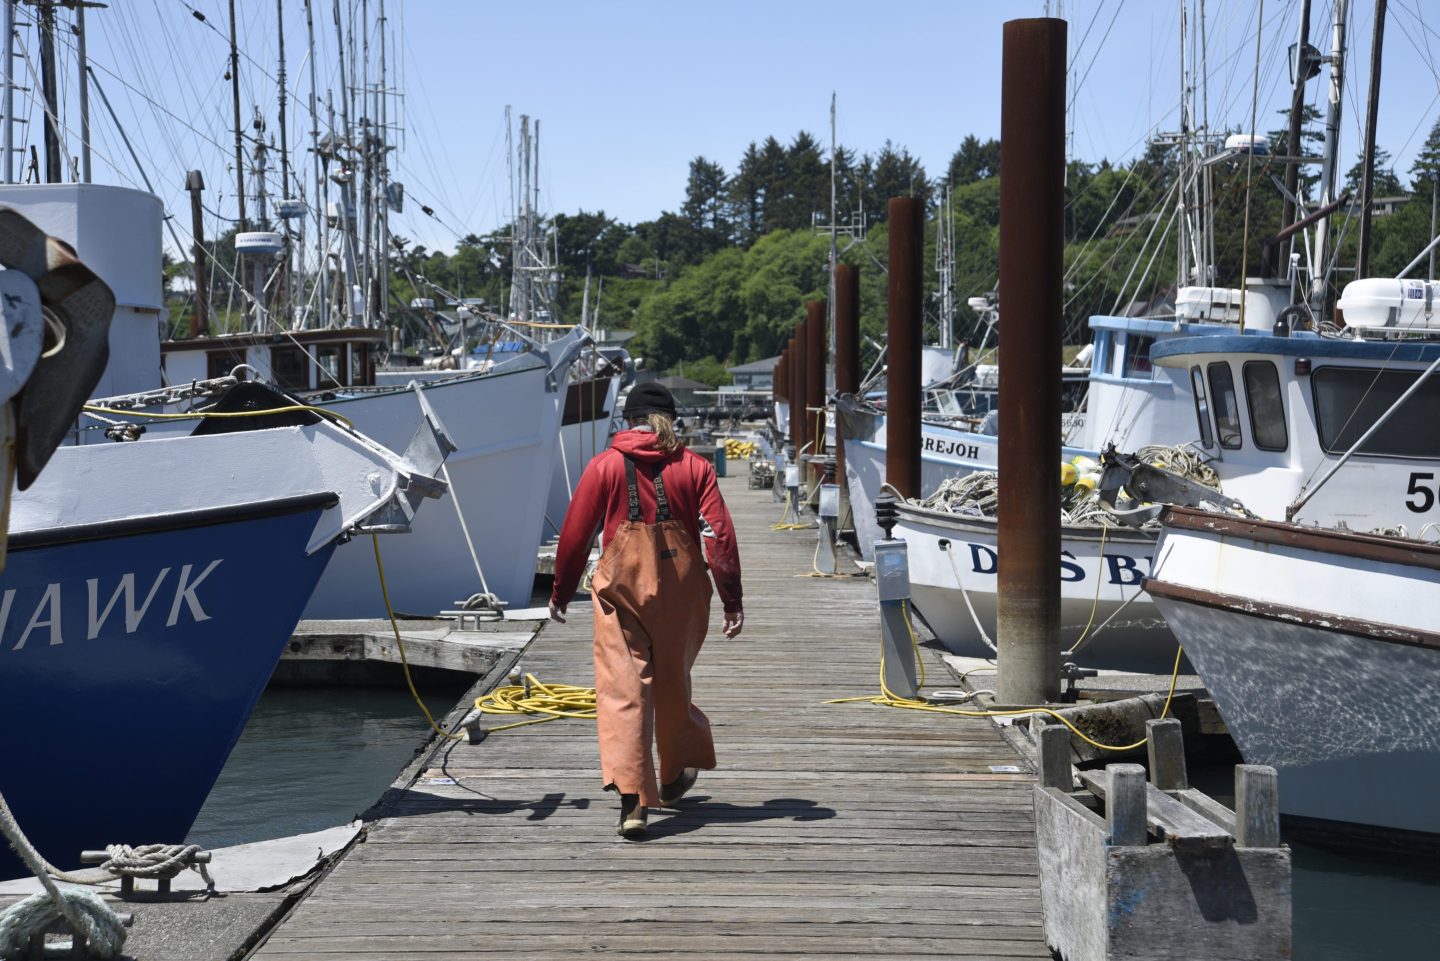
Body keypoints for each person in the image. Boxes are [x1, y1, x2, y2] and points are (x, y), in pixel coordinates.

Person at [549, 382, 743, 839]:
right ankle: (675, 775)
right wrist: (731, 598)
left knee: (623, 689)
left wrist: (559, 593)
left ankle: (633, 802)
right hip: (682, 591)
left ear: (626, 420)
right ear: (669, 420)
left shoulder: (604, 466)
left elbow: (575, 536)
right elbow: (718, 535)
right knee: (673, 680)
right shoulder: (695, 468)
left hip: (620, 593)